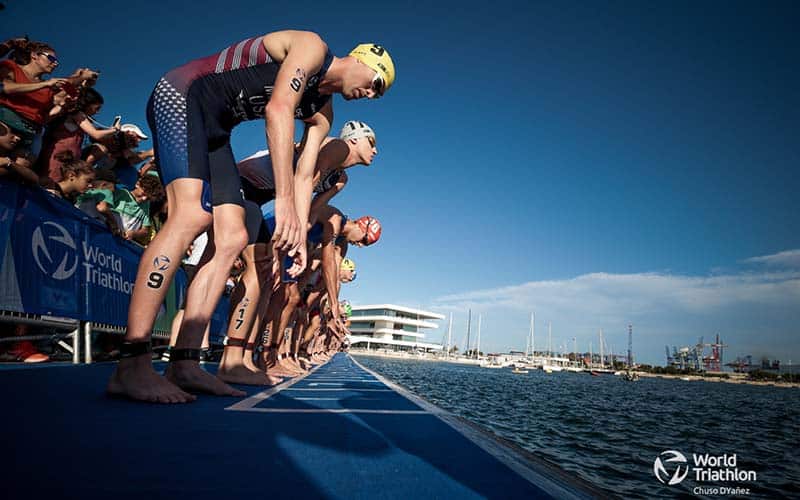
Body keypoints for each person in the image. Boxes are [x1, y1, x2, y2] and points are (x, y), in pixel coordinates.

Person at [107, 32, 395, 403]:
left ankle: (186, 362)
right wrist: (286, 202)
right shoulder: (313, 48)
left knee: (231, 239)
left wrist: (298, 236)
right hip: (181, 95)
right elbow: (278, 108)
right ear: (360, 60)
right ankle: (132, 363)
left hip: (216, 130)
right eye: (376, 83)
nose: (373, 94)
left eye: (381, 93)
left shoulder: (323, 114)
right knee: (190, 215)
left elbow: (305, 175)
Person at [216, 120, 379, 384]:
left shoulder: (341, 179)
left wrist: (334, 306)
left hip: (261, 198)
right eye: (371, 142)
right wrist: (291, 244)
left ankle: (244, 357)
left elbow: (310, 213)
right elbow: (302, 185)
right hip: (242, 185)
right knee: (259, 278)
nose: (376, 150)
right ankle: (246, 356)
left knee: (267, 281)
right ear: (354, 139)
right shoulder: (337, 148)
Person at [0, 37, 98, 156]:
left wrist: (63, 106)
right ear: (35, 55)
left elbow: (45, 117)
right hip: (6, 125)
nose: (55, 63)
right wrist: (46, 83)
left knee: (21, 168)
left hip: (29, 133)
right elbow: (6, 88)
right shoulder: (12, 67)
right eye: (51, 58)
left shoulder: (47, 90)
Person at [36, 87, 119, 184]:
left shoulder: (72, 114)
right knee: (51, 182)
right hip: (60, 156)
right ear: (87, 104)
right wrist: (115, 129)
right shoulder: (78, 115)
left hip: (64, 156)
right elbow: (96, 135)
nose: (97, 112)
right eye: (96, 108)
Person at [0, 120, 37, 184]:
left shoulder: (14, 155)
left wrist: (10, 163)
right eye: (13, 132)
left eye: (20, 135)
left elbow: (35, 178)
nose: (18, 138)